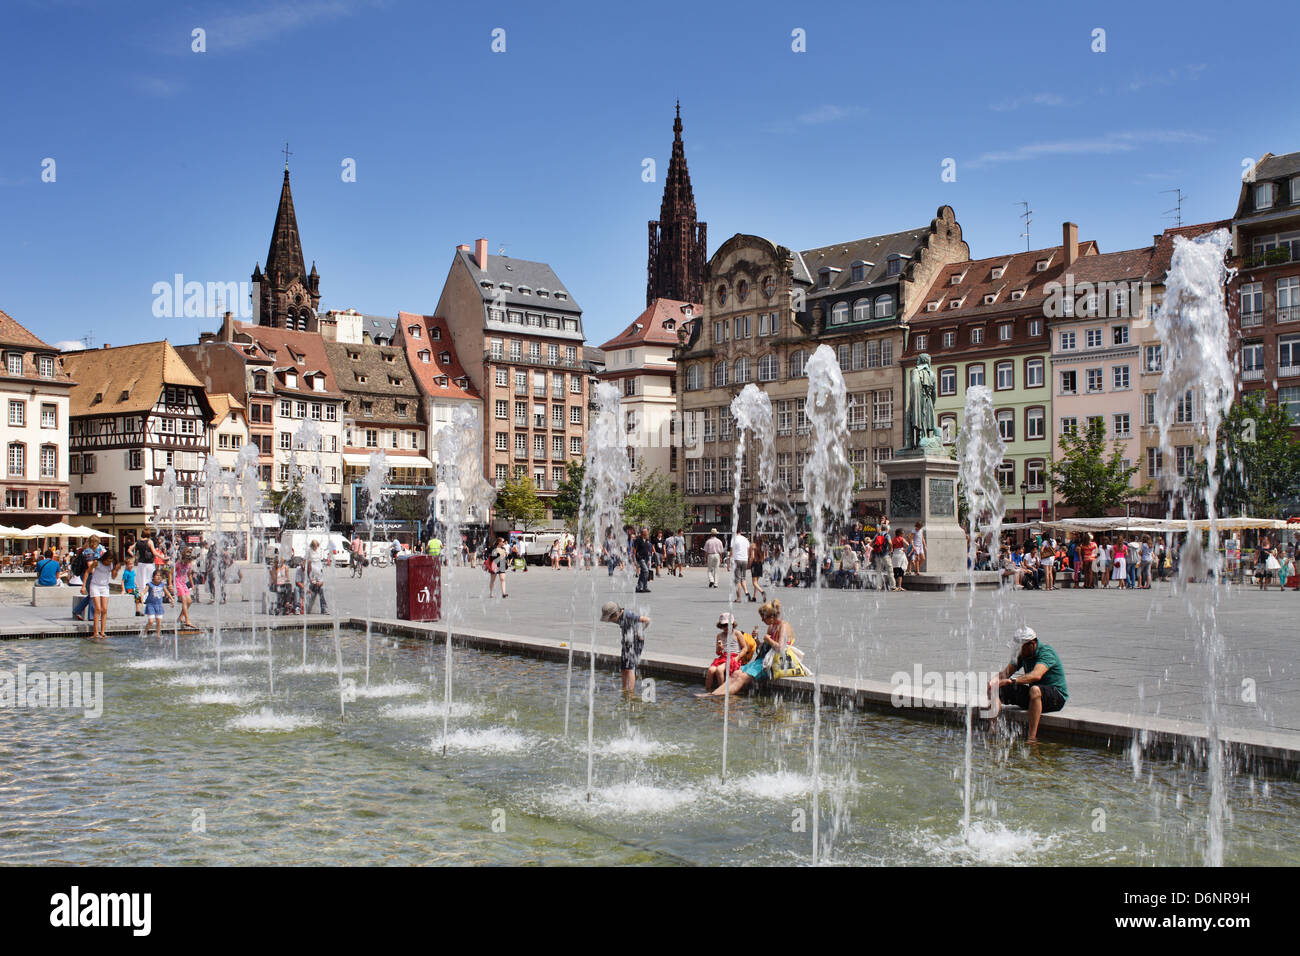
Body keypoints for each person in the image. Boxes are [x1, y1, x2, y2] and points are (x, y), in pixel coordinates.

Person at [989, 626, 1068, 743]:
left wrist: (1012, 681)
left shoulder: (1046, 652)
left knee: (1035, 690)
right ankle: (992, 731)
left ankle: (1032, 738)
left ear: (1031, 644)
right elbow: (1005, 673)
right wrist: (993, 682)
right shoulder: (1023, 655)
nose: (1018, 651)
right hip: (1033, 697)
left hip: (1056, 697)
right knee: (998, 688)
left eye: (1020, 648)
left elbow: (1036, 675)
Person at [707, 599, 797, 697]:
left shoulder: (783, 626)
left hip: (774, 663)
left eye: (763, 618)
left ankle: (717, 696)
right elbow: (765, 647)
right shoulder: (771, 626)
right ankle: (715, 694)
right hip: (764, 660)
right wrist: (757, 640)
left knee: (742, 677)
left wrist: (768, 639)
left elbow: (780, 649)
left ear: (771, 617)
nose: (762, 620)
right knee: (736, 673)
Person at [600, 600, 650, 694]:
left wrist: (640, 631)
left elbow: (647, 620)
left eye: (610, 619)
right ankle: (624, 688)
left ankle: (630, 692)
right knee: (624, 667)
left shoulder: (628, 615)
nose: (610, 621)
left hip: (636, 642)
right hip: (627, 642)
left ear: (615, 614)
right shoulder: (618, 617)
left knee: (630, 667)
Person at [705, 612, 757, 691]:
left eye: (727, 625)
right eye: (723, 625)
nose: (725, 627)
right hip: (723, 657)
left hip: (733, 657)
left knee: (719, 669)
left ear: (732, 624)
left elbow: (745, 648)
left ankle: (721, 691)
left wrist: (737, 657)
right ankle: (708, 690)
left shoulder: (737, 633)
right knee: (710, 670)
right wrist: (720, 648)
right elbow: (718, 653)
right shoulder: (719, 635)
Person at [83, 549, 120, 640]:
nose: (108, 562)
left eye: (110, 561)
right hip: (95, 586)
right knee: (98, 609)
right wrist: (83, 586)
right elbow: (87, 572)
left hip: (105, 587)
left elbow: (113, 577)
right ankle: (95, 632)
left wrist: (116, 570)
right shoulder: (97, 563)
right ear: (105, 558)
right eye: (107, 560)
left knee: (104, 609)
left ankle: (102, 632)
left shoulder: (111, 565)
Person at [142, 569, 172, 639]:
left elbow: (167, 592)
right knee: (151, 621)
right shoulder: (150, 584)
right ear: (153, 577)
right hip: (150, 605)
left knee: (158, 622)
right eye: (157, 575)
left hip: (159, 605)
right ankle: (145, 632)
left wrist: (172, 599)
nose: (158, 577)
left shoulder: (162, 585)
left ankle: (158, 635)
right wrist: (141, 594)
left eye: (160, 576)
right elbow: (144, 591)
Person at [173, 549, 196, 627]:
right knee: (184, 600)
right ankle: (187, 620)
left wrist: (192, 585)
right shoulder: (178, 564)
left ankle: (180, 617)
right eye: (187, 560)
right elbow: (170, 573)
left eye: (189, 561)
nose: (187, 562)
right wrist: (170, 584)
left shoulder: (189, 565)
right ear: (183, 558)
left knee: (189, 601)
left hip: (183, 584)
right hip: (178, 582)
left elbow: (189, 575)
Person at [731, 529, 751, 601]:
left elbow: (731, 551)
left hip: (737, 559)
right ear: (741, 532)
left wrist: (729, 562)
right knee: (743, 578)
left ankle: (738, 598)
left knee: (737, 580)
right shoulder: (745, 539)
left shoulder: (734, 539)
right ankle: (746, 592)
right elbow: (748, 551)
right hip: (745, 559)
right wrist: (748, 560)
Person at [633, 527, 654, 593]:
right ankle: (644, 587)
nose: (648, 533)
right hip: (640, 558)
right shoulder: (638, 539)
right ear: (643, 533)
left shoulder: (646, 539)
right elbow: (634, 549)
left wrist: (648, 560)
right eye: (647, 532)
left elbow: (647, 550)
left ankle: (639, 587)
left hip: (645, 558)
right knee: (646, 571)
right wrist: (634, 559)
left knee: (643, 572)